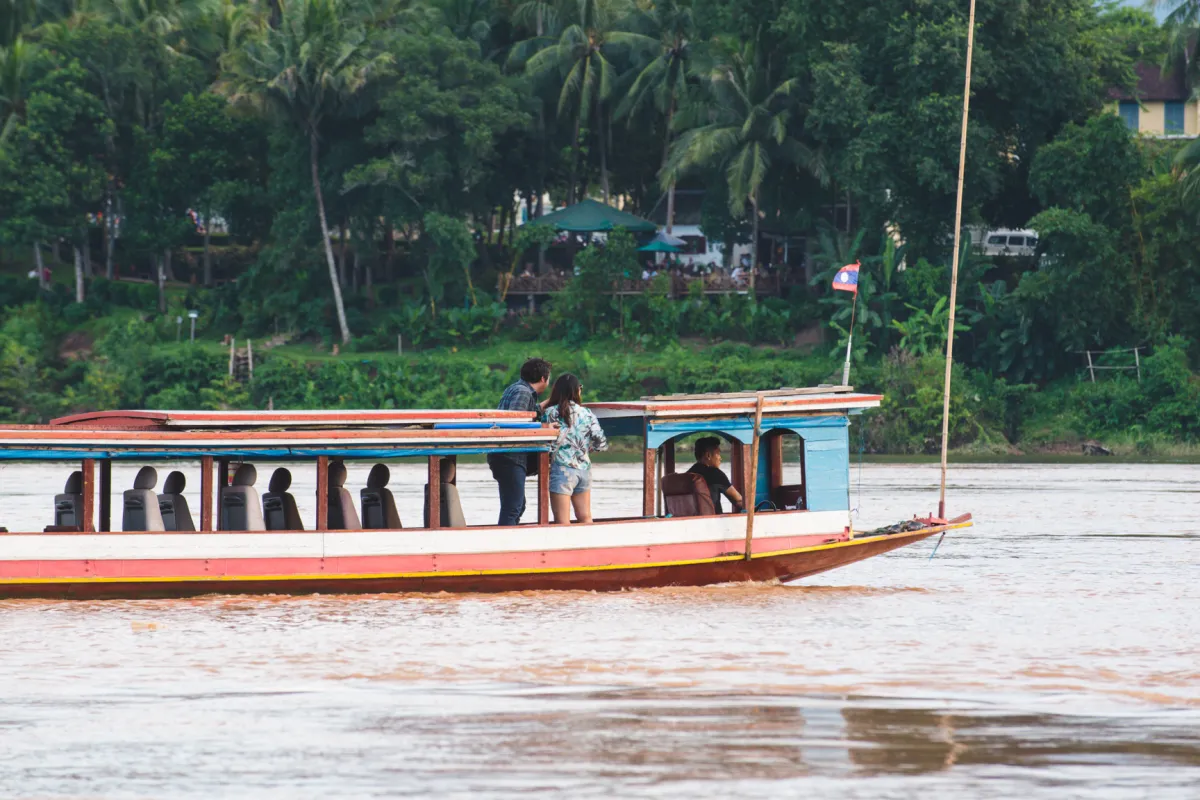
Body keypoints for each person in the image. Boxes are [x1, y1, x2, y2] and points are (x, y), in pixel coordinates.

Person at [487, 357, 552, 526]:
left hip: (504, 454)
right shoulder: (523, 393)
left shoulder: (518, 389)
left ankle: (508, 537)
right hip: (510, 455)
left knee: (517, 505)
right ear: (543, 378)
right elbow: (514, 423)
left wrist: (547, 404)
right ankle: (505, 543)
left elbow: (524, 414)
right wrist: (545, 427)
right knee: (513, 507)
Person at [542, 374, 608, 524]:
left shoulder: (551, 413)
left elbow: (544, 439)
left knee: (562, 522)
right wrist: (587, 449)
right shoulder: (587, 413)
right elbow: (601, 443)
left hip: (562, 470)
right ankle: (589, 546)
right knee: (585, 518)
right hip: (584, 469)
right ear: (577, 390)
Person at [687, 437, 744, 513]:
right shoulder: (715, 474)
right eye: (718, 453)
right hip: (713, 522)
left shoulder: (688, 474)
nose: (720, 458)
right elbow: (739, 500)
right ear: (708, 455)